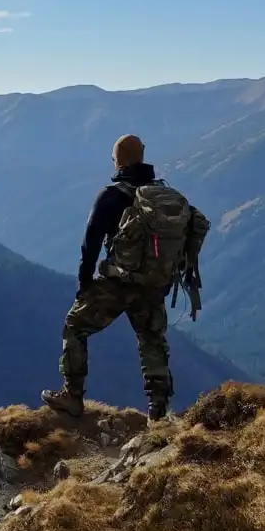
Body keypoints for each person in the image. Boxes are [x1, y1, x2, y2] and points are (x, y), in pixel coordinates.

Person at [41, 134, 210, 421]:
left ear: (118, 160)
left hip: (117, 283)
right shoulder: (164, 196)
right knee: (152, 340)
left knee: (75, 327)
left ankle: (72, 395)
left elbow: (91, 241)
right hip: (154, 285)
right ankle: (158, 410)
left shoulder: (112, 195)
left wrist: (84, 282)